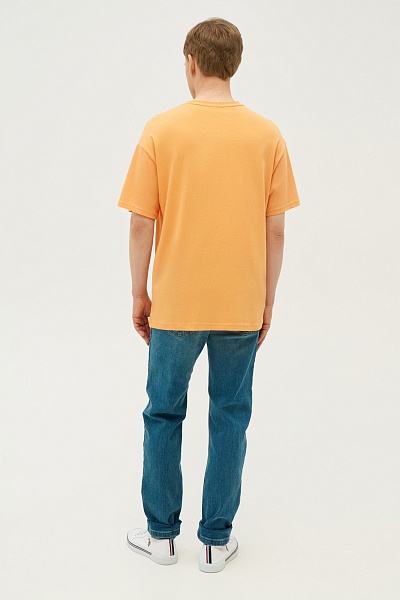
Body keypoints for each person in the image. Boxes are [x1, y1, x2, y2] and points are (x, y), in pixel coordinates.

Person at [117, 17, 300, 573]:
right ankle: (216, 543)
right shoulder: (267, 135)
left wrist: (139, 292)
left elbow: (140, 224)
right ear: (234, 65)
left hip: (175, 304)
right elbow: (275, 230)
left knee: (163, 413)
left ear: (191, 63)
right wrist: (267, 300)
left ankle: (161, 537)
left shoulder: (161, 130)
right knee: (230, 416)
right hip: (240, 304)